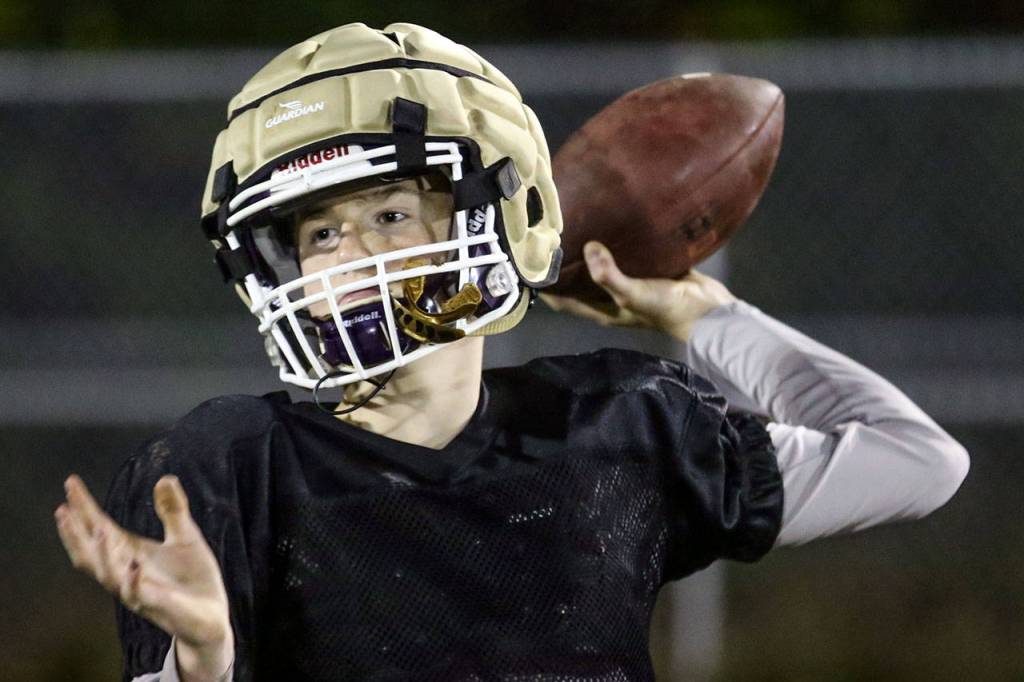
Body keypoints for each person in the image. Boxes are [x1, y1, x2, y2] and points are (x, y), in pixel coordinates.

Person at [53, 22, 969, 682]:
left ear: (503, 218)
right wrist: (204, 661)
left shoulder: (618, 428)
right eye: (320, 236)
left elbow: (918, 461)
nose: (352, 257)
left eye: (388, 213)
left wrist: (704, 315)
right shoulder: (223, 467)